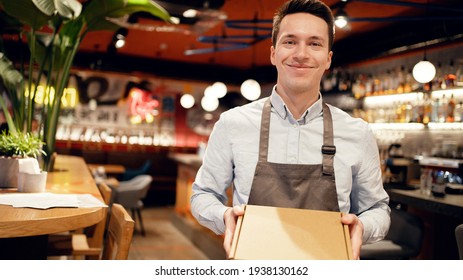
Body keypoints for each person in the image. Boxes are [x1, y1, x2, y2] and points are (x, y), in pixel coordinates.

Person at [190, 0, 390, 260]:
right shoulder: (232, 124)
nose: (301, 54)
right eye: (290, 41)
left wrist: (363, 226)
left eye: (315, 43)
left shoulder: (357, 133)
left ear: (328, 59)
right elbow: (203, 194)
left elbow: (377, 209)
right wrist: (224, 216)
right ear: (273, 53)